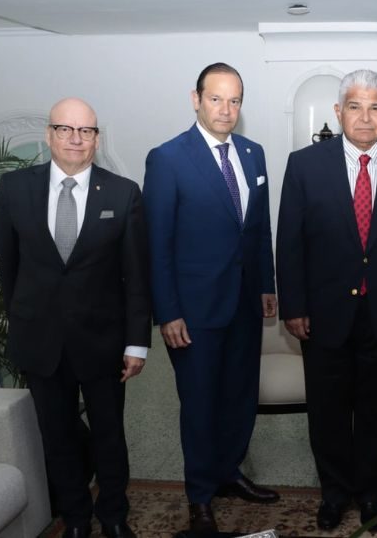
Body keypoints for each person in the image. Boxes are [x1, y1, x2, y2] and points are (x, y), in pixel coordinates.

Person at [276, 69, 377, 532]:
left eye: (374, 108)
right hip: (324, 315)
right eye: (355, 106)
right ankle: (333, 494)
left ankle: (371, 492)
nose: (364, 117)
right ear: (338, 112)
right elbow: (289, 242)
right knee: (327, 411)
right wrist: (294, 306)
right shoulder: (305, 165)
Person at [0, 98, 150, 538]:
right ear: (50, 135)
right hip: (40, 343)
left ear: (97, 139)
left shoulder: (122, 193)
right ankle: (77, 519)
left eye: (85, 131)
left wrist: (136, 342)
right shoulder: (14, 189)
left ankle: (114, 515)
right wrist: (23, 326)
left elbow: (136, 276)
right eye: (65, 129)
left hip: (103, 343)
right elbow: (9, 269)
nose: (75, 138)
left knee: (109, 436)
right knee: (57, 436)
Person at [142, 62, 278, 533]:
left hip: (244, 302)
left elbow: (258, 229)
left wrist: (266, 284)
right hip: (194, 310)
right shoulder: (168, 158)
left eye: (235, 100)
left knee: (240, 396)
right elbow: (157, 243)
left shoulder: (254, 153)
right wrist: (168, 312)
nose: (226, 108)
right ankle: (200, 494)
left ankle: (228, 473)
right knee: (199, 402)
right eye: (216, 98)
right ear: (196, 98)